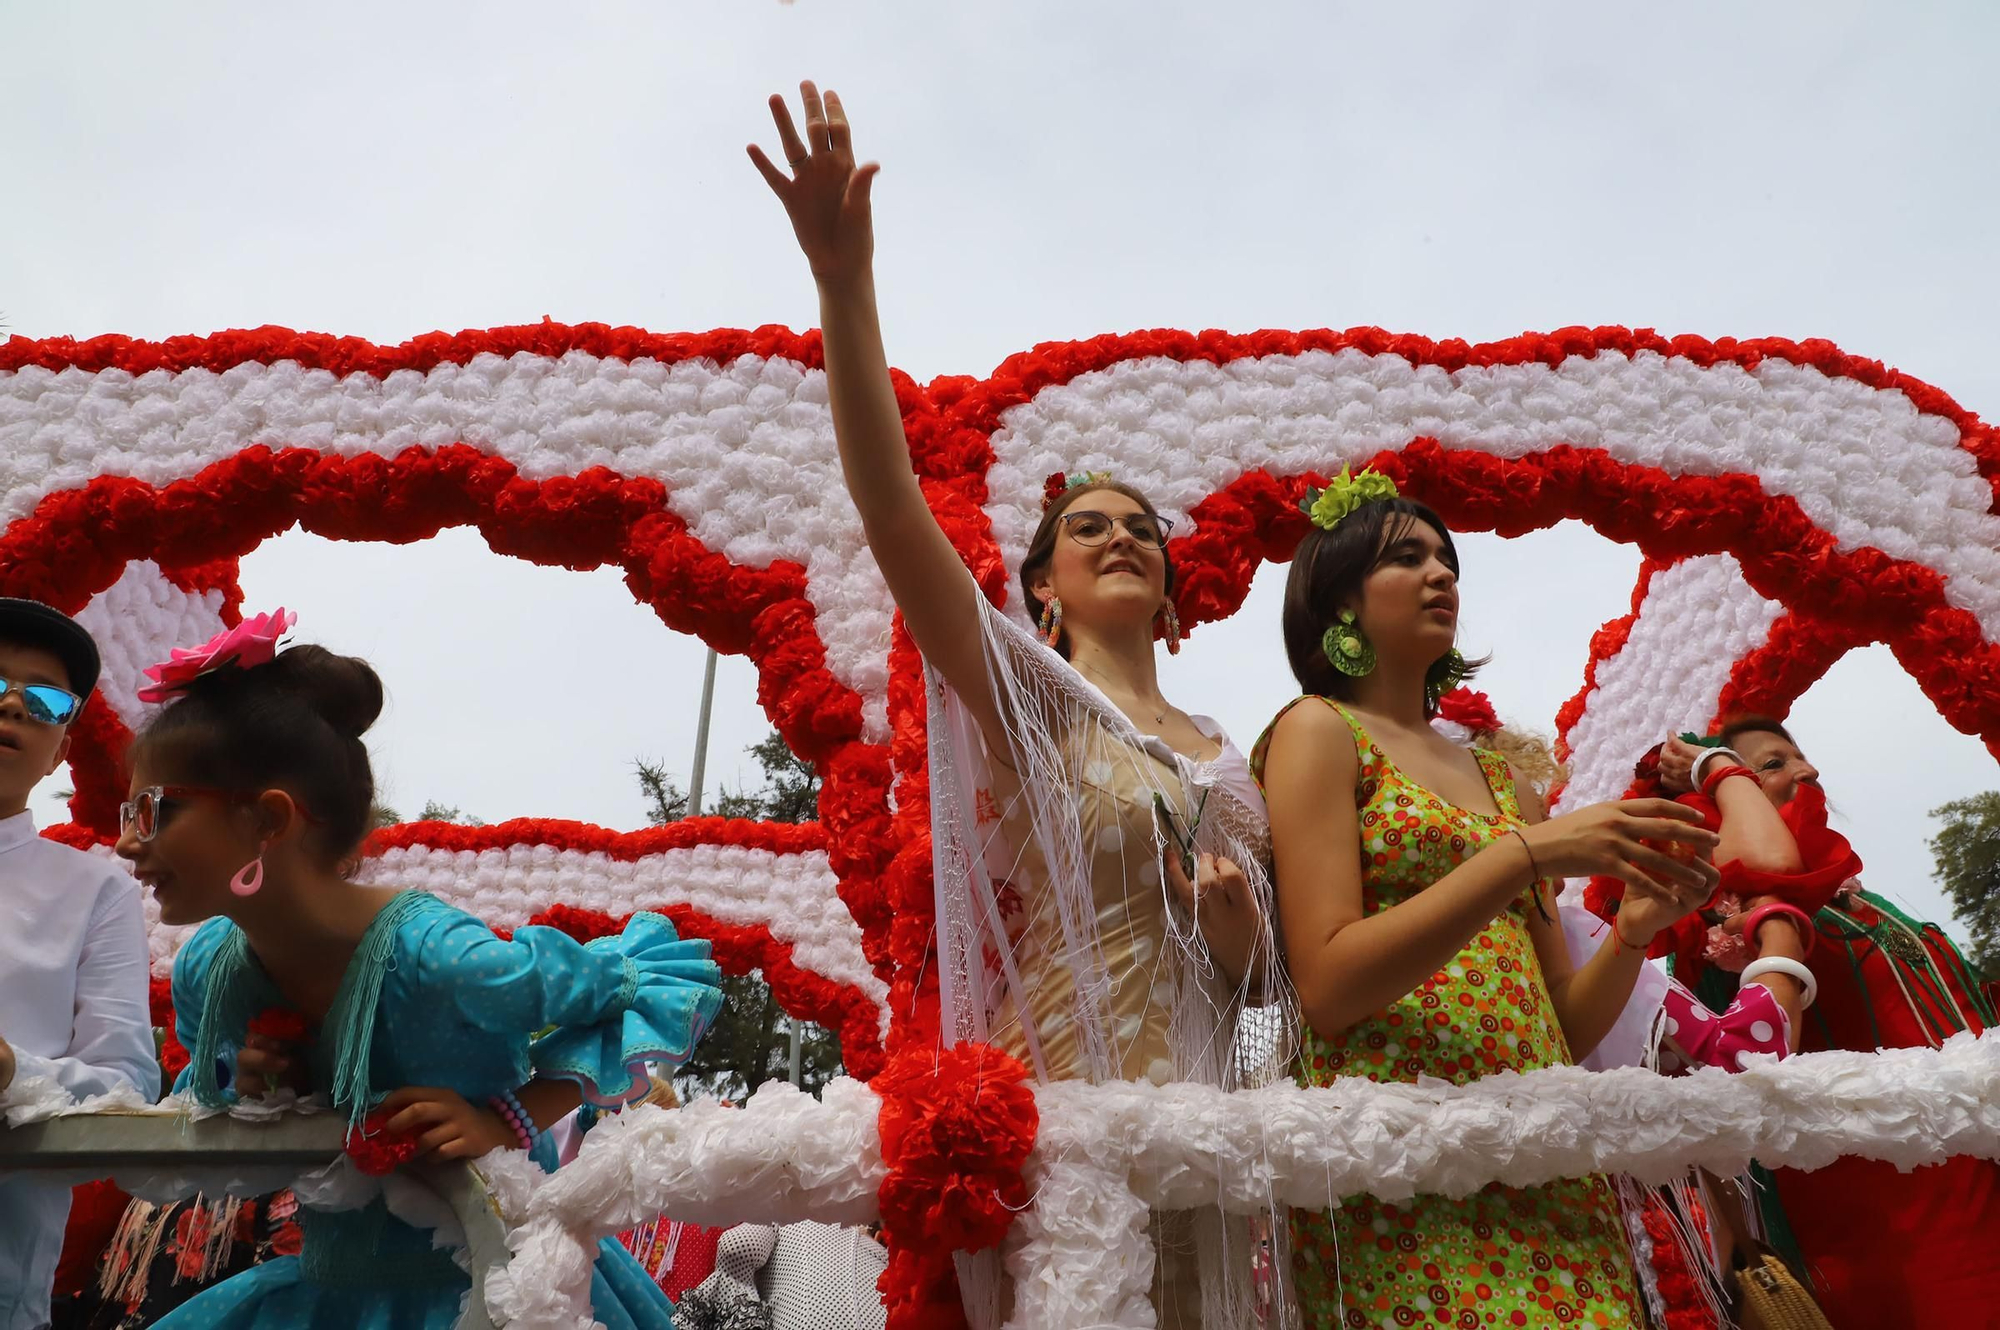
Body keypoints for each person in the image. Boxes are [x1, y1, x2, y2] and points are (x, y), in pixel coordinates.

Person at [749, 82, 1291, 1327]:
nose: (1121, 538)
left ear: (1168, 584)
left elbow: (1273, 993)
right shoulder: (1032, 708)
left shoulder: (1235, 756)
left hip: (1214, 1131)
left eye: (1141, 529)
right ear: (1038, 585)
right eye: (1085, 529)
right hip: (1070, 1114)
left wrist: (1243, 949)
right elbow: (894, 518)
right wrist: (845, 281)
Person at [110, 611, 725, 1329]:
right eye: (130, 810)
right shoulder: (212, 969)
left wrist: (511, 1118)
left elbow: (655, 980)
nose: (125, 842)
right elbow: (202, 1110)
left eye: (152, 810)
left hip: (502, 1295)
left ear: (268, 821)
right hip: (324, 1299)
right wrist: (249, 1093)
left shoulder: (440, 959)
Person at [1252, 474, 1721, 1328]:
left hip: (1544, 1158)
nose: (1442, 575)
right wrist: (1525, 854)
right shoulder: (1317, 730)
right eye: (1406, 557)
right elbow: (1326, 986)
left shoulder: (1507, 782)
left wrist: (1630, 934)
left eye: (1447, 559)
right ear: (1339, 602)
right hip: (1400, 1158)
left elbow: (1564, 1029)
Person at [1653, 717, 2000, 1328]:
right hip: (1889, 1222)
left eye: (1801, 758)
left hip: (1979, 1177)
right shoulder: (1744, 909)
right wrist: (1713, 766)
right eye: (1772, 765)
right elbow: (1766, 865)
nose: (1807, 772)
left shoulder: (1858, 900)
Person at [0, 599, 159, 1330]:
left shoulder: (95, 892)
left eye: (44, 698)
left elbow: (128, 1090)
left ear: (62, 749)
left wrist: (12, 1074)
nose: (11, 704)